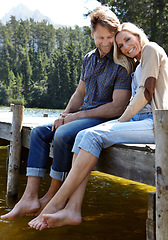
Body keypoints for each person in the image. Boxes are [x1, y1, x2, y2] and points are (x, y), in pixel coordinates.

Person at [26, 22, 168, 230]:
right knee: (84, 135)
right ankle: (72, 209)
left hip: (158, 123)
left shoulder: (151, 49)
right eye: (120, 45)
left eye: (127, 39)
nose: (125, 47)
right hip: (141, 121)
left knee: (93, 136)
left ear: (138, 35)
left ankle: (55, 203)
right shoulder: (137, 62)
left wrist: (119, 122)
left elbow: (145, 93)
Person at [1, 6, 132, 220]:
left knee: (63, 135)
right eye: (101, 37)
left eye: (110, 37)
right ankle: (29, 197)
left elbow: (117, 107)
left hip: (105, 120)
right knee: (40, 133)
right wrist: (64, 115)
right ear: (92, 33)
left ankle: (52, 196)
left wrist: (75, 117)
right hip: (83, 116)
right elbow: (80, 92)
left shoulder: (122, 63)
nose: (106, 42)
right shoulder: (88, 58)